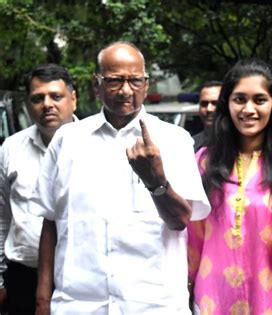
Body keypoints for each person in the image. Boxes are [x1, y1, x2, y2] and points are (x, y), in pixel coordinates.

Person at [31, 42, 210, 314]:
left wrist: (155, 181)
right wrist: (43, 298)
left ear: (146, 84)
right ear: (96, 83)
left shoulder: (175, 141)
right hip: (79, 305)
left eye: (135, 80)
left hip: (152, 306)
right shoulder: (67, 140)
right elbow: (50, 220)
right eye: (114, 81)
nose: (126, 90)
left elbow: (179, 220)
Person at [188, 58, 272, 314]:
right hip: (214, 295)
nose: (249, 109)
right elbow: (193, 237)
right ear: (228, 104)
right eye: (240, 99)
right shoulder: (204, 161)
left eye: (259, 99)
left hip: (271, 299)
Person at [0, 63, 77, 314]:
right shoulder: (11, 149)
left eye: (56, 96)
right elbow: (2, 218)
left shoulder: (95, 146)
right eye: (38, 98)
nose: (47, 104)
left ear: (73, 100)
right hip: (23, 277)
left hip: (80, 277)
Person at [192, 80, 222, 152]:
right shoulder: (190, 145)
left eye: (215, 103)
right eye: (204, 104)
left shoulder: (244, 143)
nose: (209, 109)